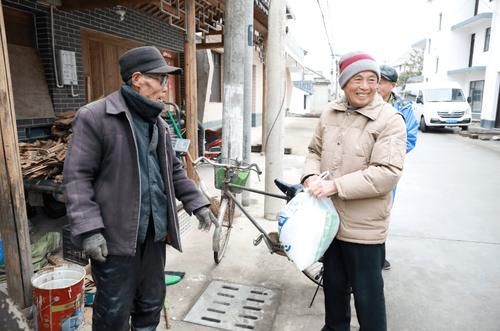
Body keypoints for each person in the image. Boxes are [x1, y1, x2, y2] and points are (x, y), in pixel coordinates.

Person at [63, 46, 216, 330]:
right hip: (116, 240)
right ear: (137, 79)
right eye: (160, 79)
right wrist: (89, 230)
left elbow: (173, 171)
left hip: (154, 235)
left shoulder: (157, 123)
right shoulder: (96, 117)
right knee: (114, 313)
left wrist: (198, 203)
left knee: (150, 305)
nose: (165, 87)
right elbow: (76, 178)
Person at [303, 51, 407, 331]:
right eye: (357, 78)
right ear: (344, 82)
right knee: (334, 287)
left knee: (367, 295)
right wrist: (310, 176)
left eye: (372, 79)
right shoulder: (330, 111)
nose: (365, 86)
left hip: (364, 227)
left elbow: (387, 173)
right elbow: (314, 151)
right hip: (330, 221)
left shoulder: (389, 119)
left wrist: (335, 185)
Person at [378, 64, 418, 270]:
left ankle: (378, 256)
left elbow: (409, 139)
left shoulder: (403, 108)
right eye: (376, 79)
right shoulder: (364, 101)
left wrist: (385, 156)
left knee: (381, 210)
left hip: (387, 168)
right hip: (358, 166)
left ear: (392, 86)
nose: (377, 85)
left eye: (382, 81)